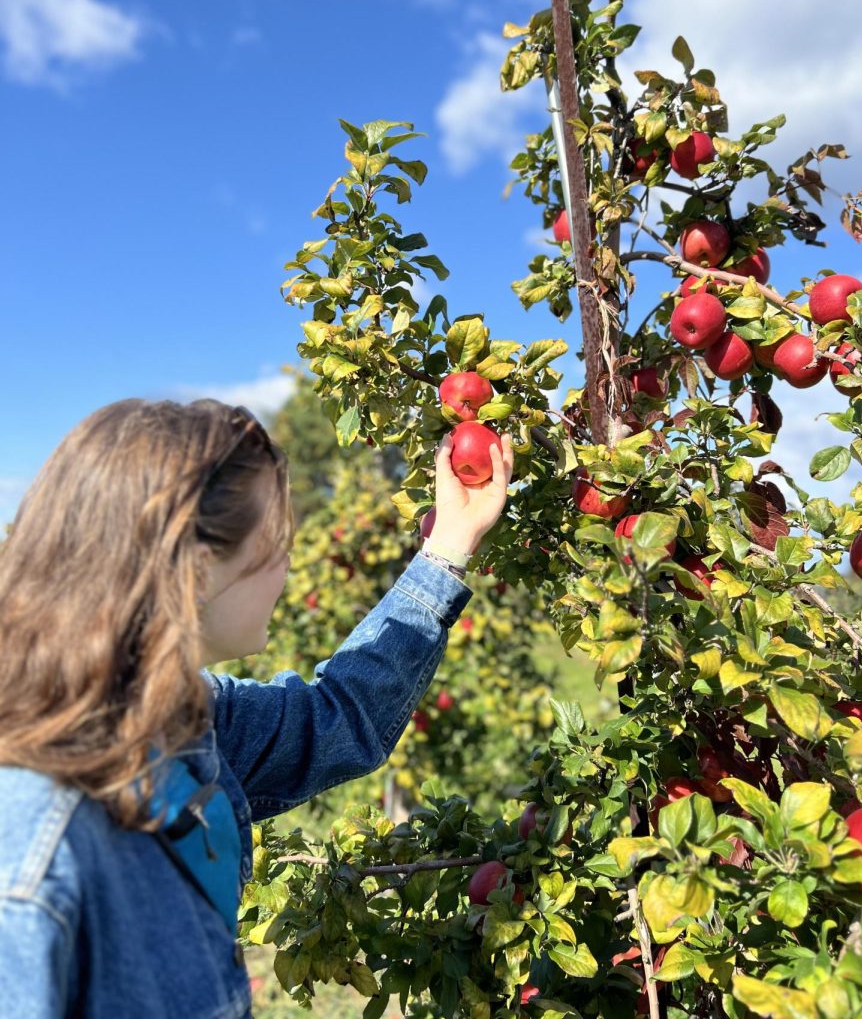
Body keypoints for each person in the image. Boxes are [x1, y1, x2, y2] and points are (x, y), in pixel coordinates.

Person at [0, 397, 514, 1018]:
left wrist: (449, 547)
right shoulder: (30, 842)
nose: (289, 564)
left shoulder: (183, 721)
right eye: (275, 541)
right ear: (196, 568)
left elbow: (339, 716)